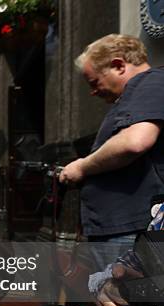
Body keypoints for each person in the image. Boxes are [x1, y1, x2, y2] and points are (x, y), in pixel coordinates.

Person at [59, 34, 164, 271]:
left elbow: (135, 142)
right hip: (120, 229)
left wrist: (81, 167)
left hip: (129, 231)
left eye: (94, 82)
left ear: (118, 65)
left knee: (123, 302)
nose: (93, 92)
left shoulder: (152, 82)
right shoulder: (135, 94)